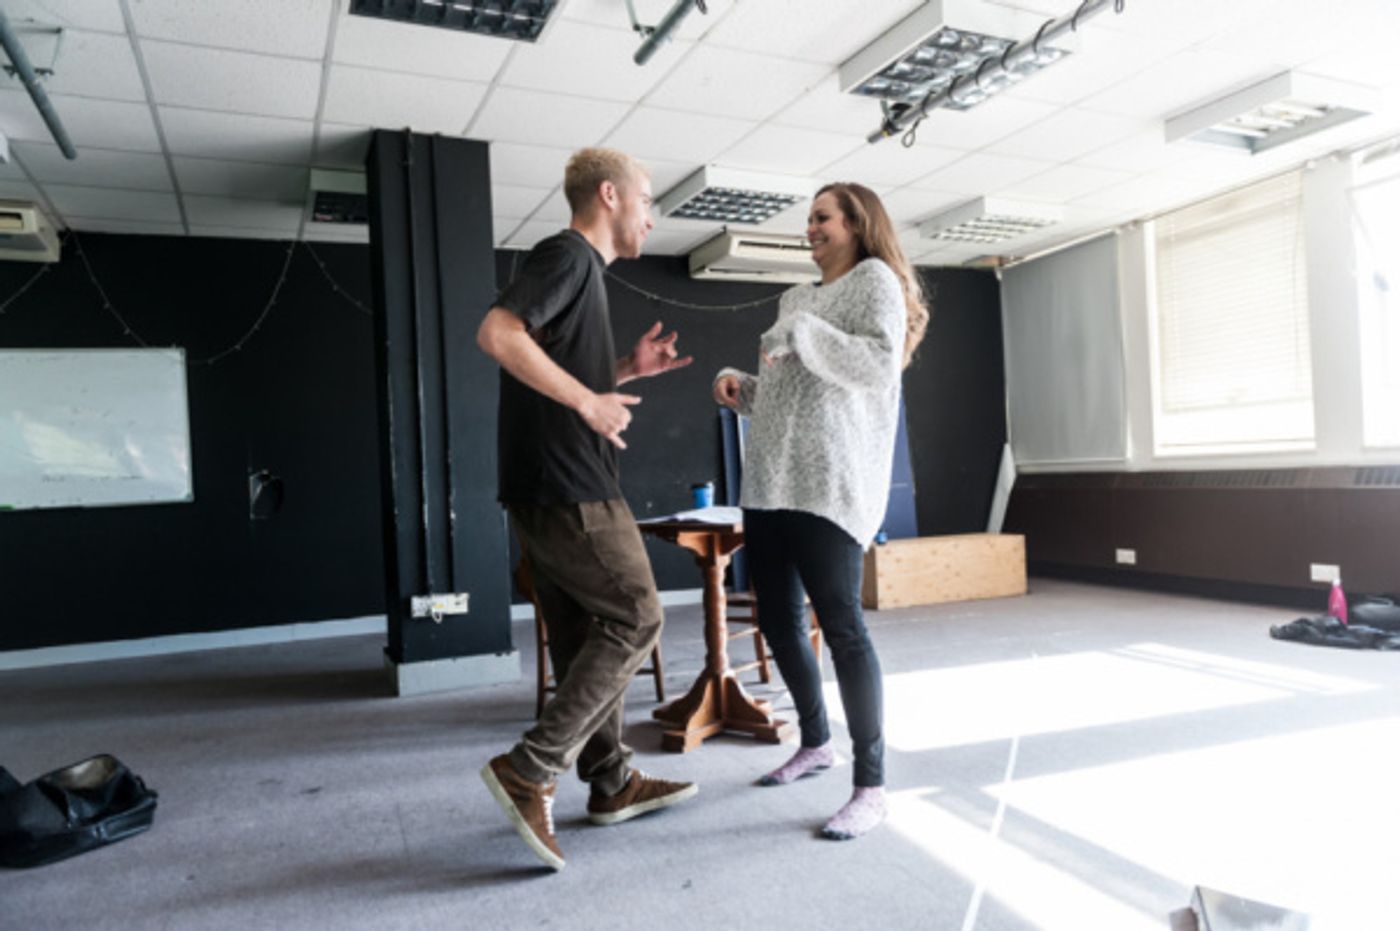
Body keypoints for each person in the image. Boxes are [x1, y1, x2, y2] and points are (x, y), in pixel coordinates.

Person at [476, 147, 697, 871]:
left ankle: (610, 780)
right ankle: (530, 768)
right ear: (609, 195)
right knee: (637, 615)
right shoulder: (568, 255)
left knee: (581, 638)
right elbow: (498, 333)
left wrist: (626, 370)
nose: (651, 216)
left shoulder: (582, 274)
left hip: (544, 483)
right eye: (646, 199)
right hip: (570, 483)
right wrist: (589, 402)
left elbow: (552, 363)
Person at [712, 182, 928, 840]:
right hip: (769, 483)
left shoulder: (873, 282)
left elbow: (877, 366)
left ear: (857, 224)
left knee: (843, 631)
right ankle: (816, 742)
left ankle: (871, 786)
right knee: (778, 622)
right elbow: (793, 390)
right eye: (808, 218)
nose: (810, 227)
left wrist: (804, 333)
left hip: (829, 485)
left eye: (822, 217)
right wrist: (742, 388)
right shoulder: (793, 297)